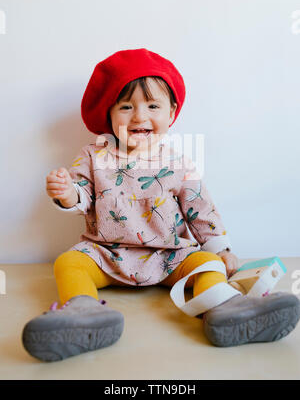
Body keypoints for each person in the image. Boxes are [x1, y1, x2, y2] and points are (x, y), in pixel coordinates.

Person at [22, 48, 300, 362]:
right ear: (109, 115)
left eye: (153, 105)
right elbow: (82, 195)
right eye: (126, 106)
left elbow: (200, 208)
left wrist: (219, 248)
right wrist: (67, 192)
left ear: (171, 113)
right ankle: (82, 311)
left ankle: (224, 308)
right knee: (68, 262)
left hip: (169, 255)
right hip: (106, 253)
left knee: (209, 266)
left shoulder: (178, 162)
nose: (140, 116)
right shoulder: (93, 156)